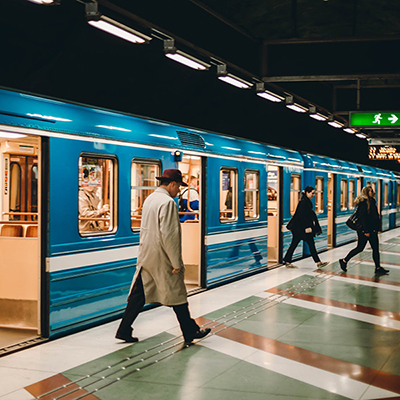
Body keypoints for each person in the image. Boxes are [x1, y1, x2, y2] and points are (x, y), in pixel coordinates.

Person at [115, 169, 211, 345]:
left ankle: (124, 329)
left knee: (139, 294)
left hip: (147, 255)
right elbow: (170, 235)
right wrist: (176, 262)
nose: (178, 192)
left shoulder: (150, 199)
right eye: (178, 187)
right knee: (178, 295)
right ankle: (190, 331)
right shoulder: (167, 203)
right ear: (172, 184)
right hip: (162, 257)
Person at [339, 186, 389, 275]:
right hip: (365, 231)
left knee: (375, 249)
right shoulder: (363, 203)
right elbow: (363, 218)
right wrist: (366, 231)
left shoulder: (371, 201)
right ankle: (344, 260)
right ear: (366, 192)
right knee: (359, 248)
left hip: (372, 230)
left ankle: (378, 267)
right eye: (371, 191)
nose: (373, 192)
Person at [283, 186, 328, 269]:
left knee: (295, 244)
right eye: (312, 193)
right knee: (310, 244)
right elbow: (302, 216)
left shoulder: (305, 201)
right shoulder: (304, 202)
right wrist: (307, 227)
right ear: (307, 193)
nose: (313, 195)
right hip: (301, 228)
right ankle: (318, 262)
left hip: (299, 228)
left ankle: (287, 260)